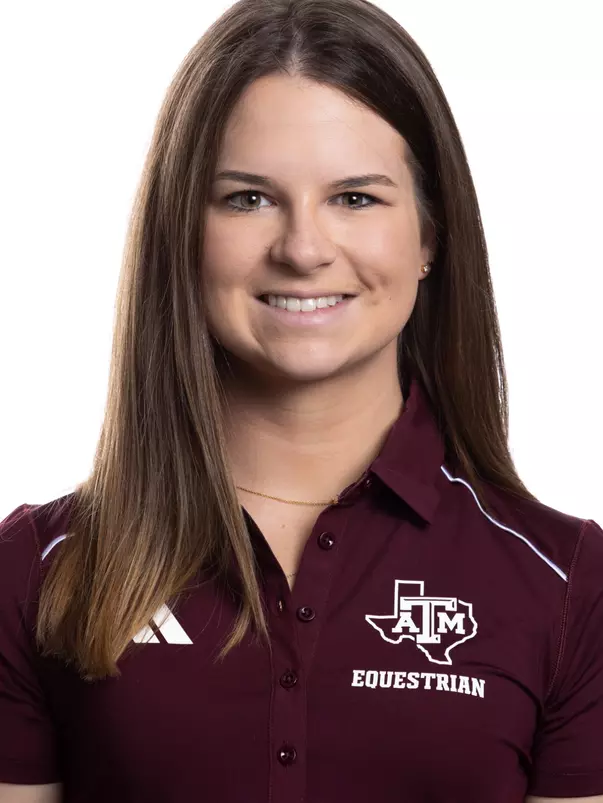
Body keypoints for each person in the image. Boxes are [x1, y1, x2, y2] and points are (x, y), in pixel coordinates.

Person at [1, 0, 602, 801]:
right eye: (247, 198)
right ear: (180, 232)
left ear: (429, 237)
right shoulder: (37, 571)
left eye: (355, 197)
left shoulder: (565, 583)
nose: (304, 248)